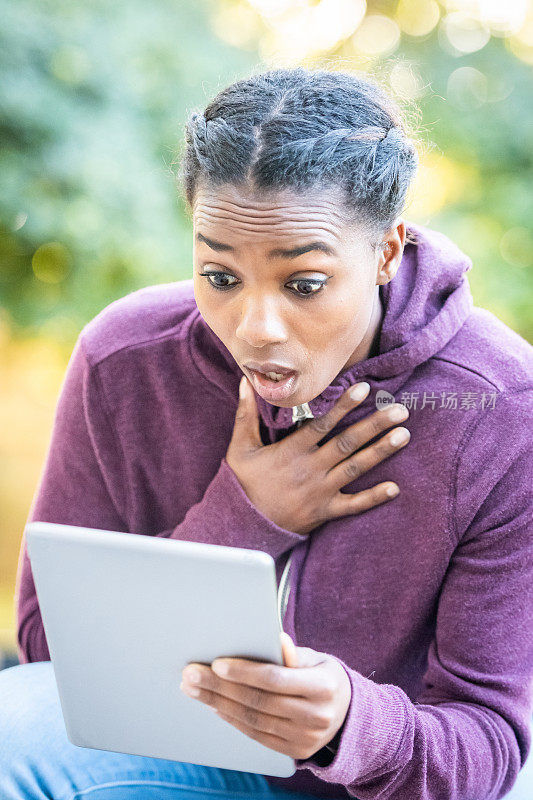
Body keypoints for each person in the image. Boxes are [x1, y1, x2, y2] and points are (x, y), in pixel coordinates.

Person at [1, 66, 532, 800]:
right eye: (219, 277)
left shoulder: (502, 407)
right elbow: (47, 654)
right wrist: (246, 517)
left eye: (304, 284)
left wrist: (347, 723)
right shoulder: (123, 360)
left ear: (384, 253)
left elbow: (488, 748)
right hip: (186, 762)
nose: (255, 329)